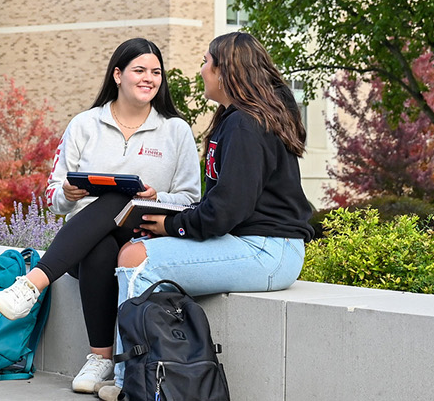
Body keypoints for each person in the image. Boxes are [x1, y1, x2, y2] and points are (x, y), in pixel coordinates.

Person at [98, 31, 313, 400]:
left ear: (226, 71)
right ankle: (165, 368)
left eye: (206, 62)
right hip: (252, 243)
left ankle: (129, 382)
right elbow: (223, 204)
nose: (201, 71)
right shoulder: (238, 118)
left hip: (268, 251)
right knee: (137, 248)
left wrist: (171, 225)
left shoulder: (247, 123)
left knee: (137, 260)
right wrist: (169, 221)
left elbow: (227, 209)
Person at [0, 38, 201, 394]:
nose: (149, 78)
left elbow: (191, 198)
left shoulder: (175, 130)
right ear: (118, 75)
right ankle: (102, 359)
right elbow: (53, 195)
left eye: (156, 72)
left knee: (121, 195)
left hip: (144, 238)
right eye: (139, 70)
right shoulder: (84, 124)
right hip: (81, 248)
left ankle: (32, 285)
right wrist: (67, 194)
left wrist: (155, 196)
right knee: (100, 242)